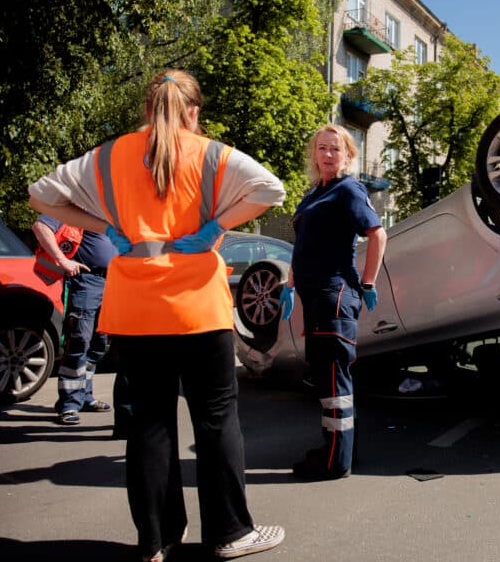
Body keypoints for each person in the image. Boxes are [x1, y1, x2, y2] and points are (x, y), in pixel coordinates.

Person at [28, 69, 286, 561]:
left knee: (150, 423)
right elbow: (269, 190)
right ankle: (230, 533)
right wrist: (214, 226)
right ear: (194, 110)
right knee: (215, 421)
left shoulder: (108, 156)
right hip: (197, 307)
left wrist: (105, 223)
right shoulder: (211, 154)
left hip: (134, 307)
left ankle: (157, 540)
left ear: (147, 109)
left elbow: (41, 196)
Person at [280, 124, 387, 481]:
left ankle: (334, 462)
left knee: (333, 378)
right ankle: (335, 449)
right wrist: (290, 285)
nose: (328, 155)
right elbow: (302, 246)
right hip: (313, 295)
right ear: (314, 154)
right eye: (322, 148)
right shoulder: (313, 194)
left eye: (335, 149)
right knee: (325, 378)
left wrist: (368, 281)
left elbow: (377, 234)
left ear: (348, 155)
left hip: (334, 294)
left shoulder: (348, 190)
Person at [32, 216, 116, 425]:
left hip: (112, 283)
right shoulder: (78, 204)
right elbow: (40, 226)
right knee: (79, 341)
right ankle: (69, 403)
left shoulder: (110, 207)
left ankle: (85, 396)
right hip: (86, 282)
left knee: (98, 344)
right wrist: (63, 260)